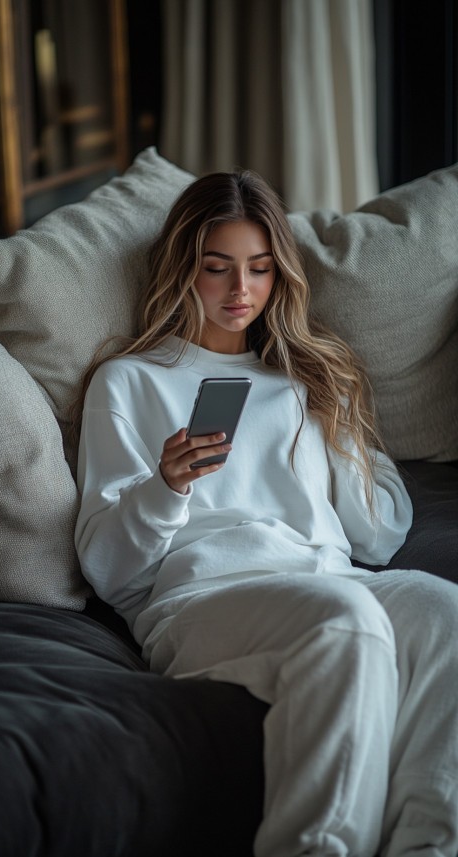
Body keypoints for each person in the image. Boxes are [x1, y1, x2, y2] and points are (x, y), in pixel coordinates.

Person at [74, 170, 458, 857]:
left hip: (330, 579)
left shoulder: (301, 380)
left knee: (444, 611)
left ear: (281, 275)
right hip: (204, 598)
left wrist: (339, 428)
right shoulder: (130, 381)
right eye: (216, 268)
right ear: (183, 270)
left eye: (259, 269)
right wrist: (166, 487)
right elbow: (107, 568)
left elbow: (379, 534)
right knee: (351, 621)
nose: (240, 290)